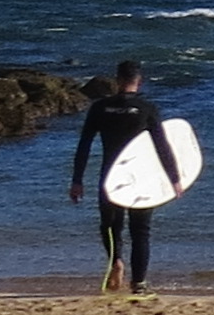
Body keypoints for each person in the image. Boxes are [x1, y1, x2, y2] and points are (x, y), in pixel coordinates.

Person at [70, 58, 185, 296]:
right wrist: (175, 178)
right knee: (140, 230)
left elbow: (84, 145)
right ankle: (139, 284)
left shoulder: (100, 108)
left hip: (110, 177)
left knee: (111, 227)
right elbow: (163, 146)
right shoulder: (147, 109)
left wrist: (77, 180)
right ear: (138, 81)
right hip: (141, 178)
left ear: (117, 81)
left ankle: (116, 262)